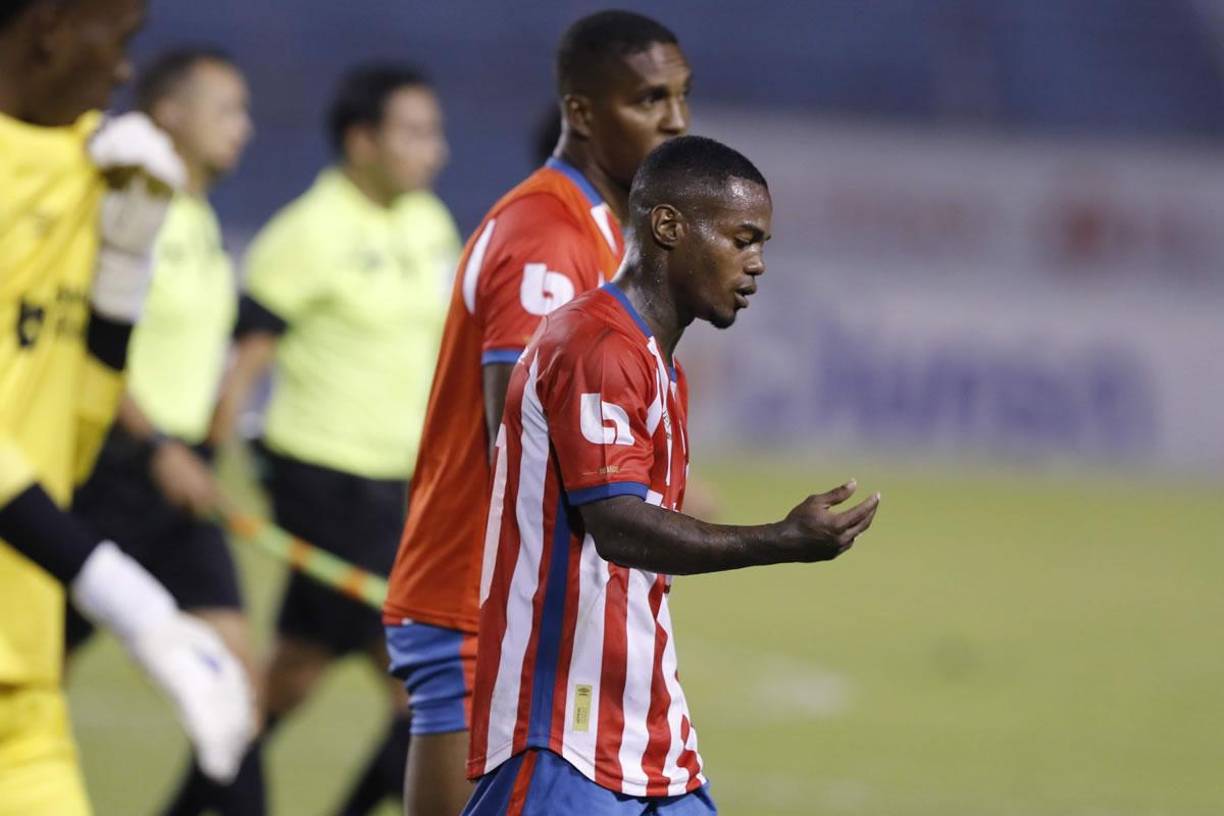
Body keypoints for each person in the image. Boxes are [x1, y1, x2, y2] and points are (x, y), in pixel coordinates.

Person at [464, 135, 882, 815]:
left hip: (648, 735)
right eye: (743, 239)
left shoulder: (659, 365)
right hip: (564, 735)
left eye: (763, 244)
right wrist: (781, 539)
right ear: (667, 226)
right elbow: (619, 527)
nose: (757, 265)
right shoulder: (596, 345)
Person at [380, 10, 691, 815]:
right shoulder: (550, 235)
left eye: (682, 96)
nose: (676, 121)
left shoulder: (599, 230)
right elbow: (514, 433)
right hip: (480, 598)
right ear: (582, 111)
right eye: (649, 98)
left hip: (526, 596)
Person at [0, 3, 254, 815]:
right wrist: (135, 606)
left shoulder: (97, 171)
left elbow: (68, 421)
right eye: (118, 43)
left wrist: (123, 265)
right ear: (47, 30)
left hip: (22, 677)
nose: (121, 75)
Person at [193, 63, 459, 816]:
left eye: (434, 133)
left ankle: (189, 800)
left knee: (291, 676)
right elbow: (243, 361)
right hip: (323, 479)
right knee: (434, 678)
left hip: (404, 485)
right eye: (413, 132)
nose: (432, 150)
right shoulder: (307, 233)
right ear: (361, 140)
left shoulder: (430, 224)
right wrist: (206, 458)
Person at [63, 45, 259, 810]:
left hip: (181, 476)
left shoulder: (201, 218)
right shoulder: (132, 210)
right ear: (169, 114)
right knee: (34, 668)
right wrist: (158, 447)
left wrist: (209, 435)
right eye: (226, 110)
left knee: (236, 681)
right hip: (113, 468)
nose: (241, 128)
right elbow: (91, 351)